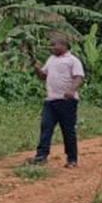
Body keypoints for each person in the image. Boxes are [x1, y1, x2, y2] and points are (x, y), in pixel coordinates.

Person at [26, 33, 85, 167]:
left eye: (54, 44)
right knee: (46, 128)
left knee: (68, 130)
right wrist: (36, 69)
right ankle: (41, 156)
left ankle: (72, 159)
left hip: (67, 102)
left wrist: (72, 90)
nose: (50, 47)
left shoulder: (72, 60)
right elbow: (43, 76)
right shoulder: (51, 59)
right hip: (51, 100)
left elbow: (78, 77)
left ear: (64, 46)